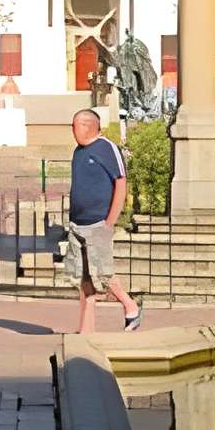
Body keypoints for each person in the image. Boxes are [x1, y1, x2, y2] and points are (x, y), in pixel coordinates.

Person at [63, 108, 142, 335]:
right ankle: (86, 330)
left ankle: (130, 306)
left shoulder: (107, 148)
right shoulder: (78, 152)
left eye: (74, 126)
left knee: (103, 274)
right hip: (77, 224)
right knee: (83, 278)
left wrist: (110, 222)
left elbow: (121, 183)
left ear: (86, 126)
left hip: (98, 224)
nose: (72, 130)